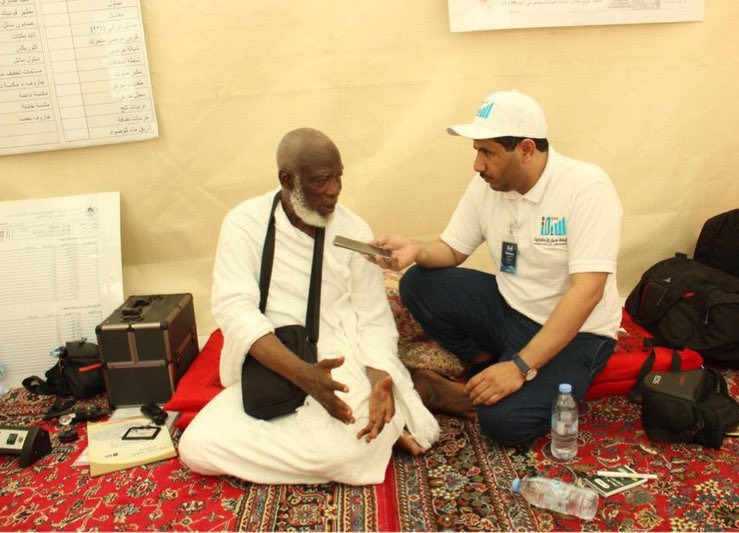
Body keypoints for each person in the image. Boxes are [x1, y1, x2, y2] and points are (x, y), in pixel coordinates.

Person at [179, 128, 439, 485]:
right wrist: (302, 374)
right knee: (196, 446)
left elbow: (374, 318)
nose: (334, 190)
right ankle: (382, 432)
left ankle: (382, 422)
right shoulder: (245, 224)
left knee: (353, 444)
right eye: (321, 180)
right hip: (273, 360)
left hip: (340, 357)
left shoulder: (352, 230)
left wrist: (380, 378)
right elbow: (235, 311)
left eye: (339, 177)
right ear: (288, 180)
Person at [371, 90, 622, 447]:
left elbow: (588, 291)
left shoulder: (586, 188)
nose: (477, 164)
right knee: (418, 283)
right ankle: (483, 361)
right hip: (509, 310)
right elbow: (451, 249)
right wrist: (416, 249)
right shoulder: (487, 185)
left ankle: (473, 386)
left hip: (578, 332)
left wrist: (520, 367)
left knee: (504, 425)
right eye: (477, 151)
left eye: (487, 152)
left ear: (526, 149)